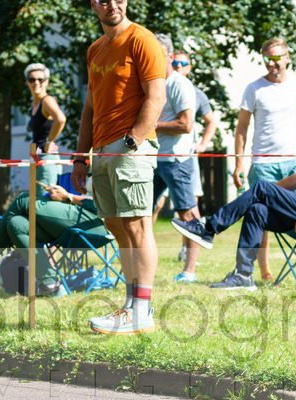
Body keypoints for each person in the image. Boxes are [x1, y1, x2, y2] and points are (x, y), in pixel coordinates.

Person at [172, 111, 296, 290]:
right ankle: (243, 275)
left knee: (261, 187)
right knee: (257, 209)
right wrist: (266, 193)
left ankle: (208, 229)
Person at [71, 0, 166, 335]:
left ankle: (142, 310)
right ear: (93, 5)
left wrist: (133, 140)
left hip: (130, 147)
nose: (111, 4)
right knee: (116, 225)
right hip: (101, 149)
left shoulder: (142, 39)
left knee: (138, 225)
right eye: (102, 0)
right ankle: (130, 307)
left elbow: (157, 97)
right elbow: (90, 107)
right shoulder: (95, 49)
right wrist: (80, 157)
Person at [0, 179, 108, 294]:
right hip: (82, 218)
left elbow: (107, 202)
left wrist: (68, 197)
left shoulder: (115, 150)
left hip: (95, 221)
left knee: (23, 200)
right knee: (16, 224)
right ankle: (50, 284)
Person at [234, 37, 296, 281]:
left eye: (275, 58)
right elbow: (242, 127)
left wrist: (295, 140)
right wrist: (239, 163)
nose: (270, 63)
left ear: (287, 57)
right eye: (266, 58)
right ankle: (264, 271)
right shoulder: (254, 88)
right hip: (262, 164)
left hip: (293, 162)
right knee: (260, 214)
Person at [150, 35, 201, 284]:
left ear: (170, 57)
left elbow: (186, 124)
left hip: (176, 160)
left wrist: (152, 125)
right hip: (152, 158)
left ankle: (189, 271)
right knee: (141, 213)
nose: (152, 59)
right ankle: (142, 268)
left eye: (158, 54)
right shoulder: (152, 83)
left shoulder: (180, 84)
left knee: (187, 215)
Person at [167, 50, 217, 272]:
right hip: (159, 157)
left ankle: (189, 262)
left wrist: (203, 144)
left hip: (182, 158)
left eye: (183, 63)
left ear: (189, 67)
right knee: (152, 207)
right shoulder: (161, 86)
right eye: (175, 62)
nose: (178, 66)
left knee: (188, 208)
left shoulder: (195, 93)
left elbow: (210, 121)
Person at [25, 62, 67, 188]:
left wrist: (49, 142)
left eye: (40, 79)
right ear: (27, 82)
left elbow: (61, 119)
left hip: (48, 160)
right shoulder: (34, 104)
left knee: (41, 198)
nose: (36, 83)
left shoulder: (47, 101)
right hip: (39, 158)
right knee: (34, 197)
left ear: (47, 82)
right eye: (32, 79)